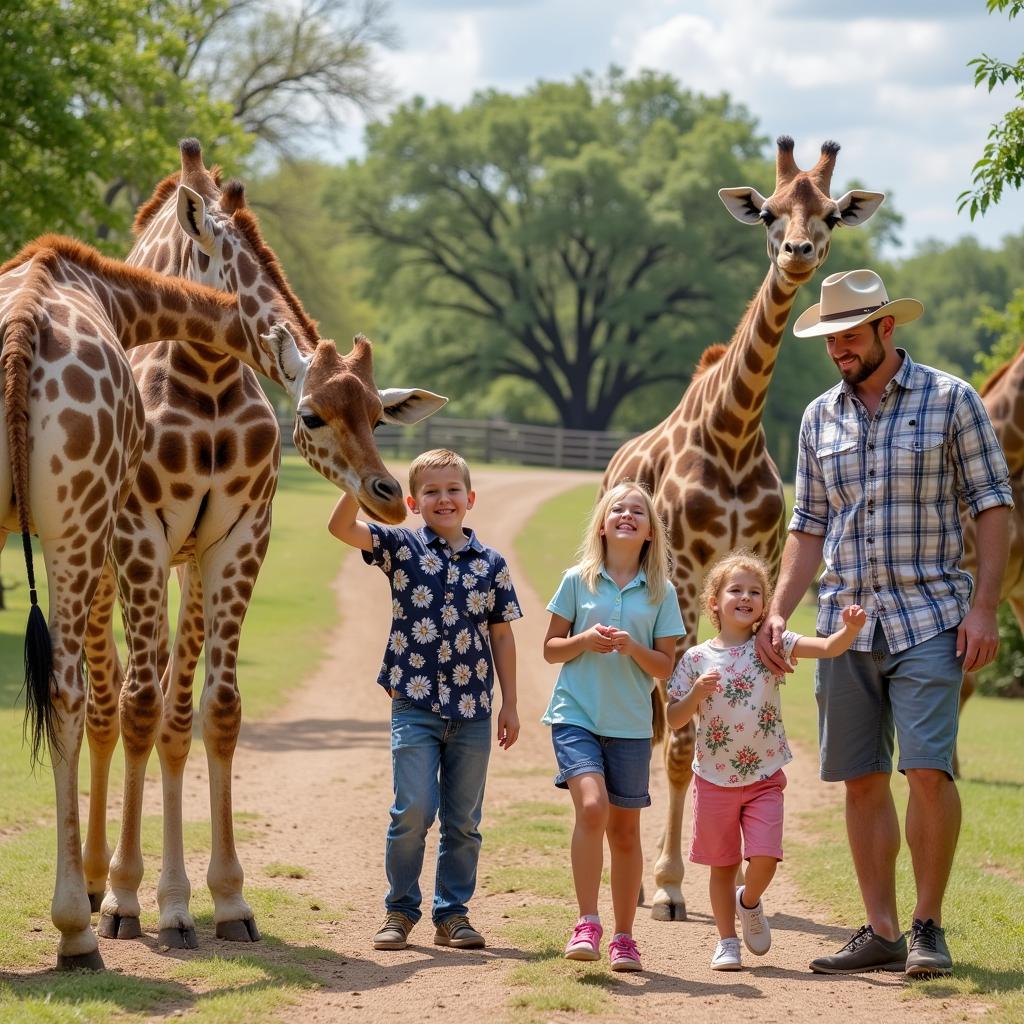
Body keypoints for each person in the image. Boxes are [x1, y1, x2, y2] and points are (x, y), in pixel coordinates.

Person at [755, 268, 1013, 979]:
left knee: (928, 770)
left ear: (886, 329)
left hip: (931, 615)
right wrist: (778, 611)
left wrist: (985, 607)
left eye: (849, 338)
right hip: (844, 624)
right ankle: (881, 931)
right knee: (860, 778)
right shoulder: (818, 417)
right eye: (830, 342)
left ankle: (929, 927)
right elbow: (808, 526)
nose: (838, 352)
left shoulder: (952, 400)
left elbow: (994, 505)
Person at [328, 448, 522, 952]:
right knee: (412, 809)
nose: (444, 499)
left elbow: (501, 636)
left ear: (470, 498)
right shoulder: (400, 546)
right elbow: (342, 530)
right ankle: (399, 910)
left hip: (474, 711)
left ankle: (452, 915)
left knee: (464, 821)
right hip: (414, 705)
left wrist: (511, 703)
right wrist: (358, 481)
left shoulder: (491, 564)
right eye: (432, 492)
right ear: (413, 502)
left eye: (453, 489)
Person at [666, 551, 865, 971]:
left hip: (764, 775)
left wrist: (849, 630)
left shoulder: (772, 645)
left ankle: (749, 900)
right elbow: (672, 718)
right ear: (714, 602)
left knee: (765, 857)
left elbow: (827, 648)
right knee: (722, 865)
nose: (746, 597)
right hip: (714, 778)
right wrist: (696, 695)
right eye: (735, 590)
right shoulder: (695, 659)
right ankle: (726, 942)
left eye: (755, 592)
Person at [541, 481, 685, 973]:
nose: (627, 515)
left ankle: (625, 937)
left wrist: (631, 648)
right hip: (575, 713)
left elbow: (665, 667)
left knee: (626, 833)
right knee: (592, 806)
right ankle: (587, 923)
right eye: (617, 509)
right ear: (602, 523)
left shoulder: (662, 592)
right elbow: (551, 649)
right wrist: (583, 638)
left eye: (638, 512)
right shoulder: (577, 581)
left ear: (649, 533)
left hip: (630, 724)